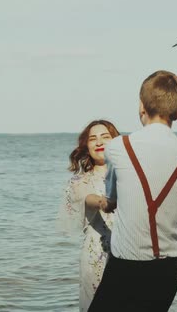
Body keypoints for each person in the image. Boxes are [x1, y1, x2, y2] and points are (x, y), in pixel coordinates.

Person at [88, 71, 177, 312]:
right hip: (168, 271)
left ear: (142, 107)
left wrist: (100, 203)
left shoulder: (119, 147)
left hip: (126, 267)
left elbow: (113, 200)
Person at [57, 119, 121, 312]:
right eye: (93, 138)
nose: (99, 142)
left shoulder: (128, 175)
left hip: (128, 255)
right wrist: (105, 202)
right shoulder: (79, 181)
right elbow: (90, 199)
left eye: (105, 137)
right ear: (87, 146)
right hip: (97, 258)